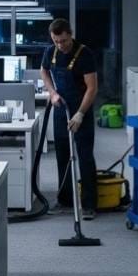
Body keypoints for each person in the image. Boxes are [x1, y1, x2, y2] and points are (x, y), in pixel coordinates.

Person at [40, 18, 99, 217]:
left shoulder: (84, 54)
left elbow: (92, 88)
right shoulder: (50, 52)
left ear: (70, 35)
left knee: (84, 157)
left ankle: (89, 205)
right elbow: (44, 71)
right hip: (61, 108)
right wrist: (52, 92)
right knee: (62, 155)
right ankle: (65, 200)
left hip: (82, 109)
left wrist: (80, 114)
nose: (60, 45)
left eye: (63, 41)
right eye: (56, 41)